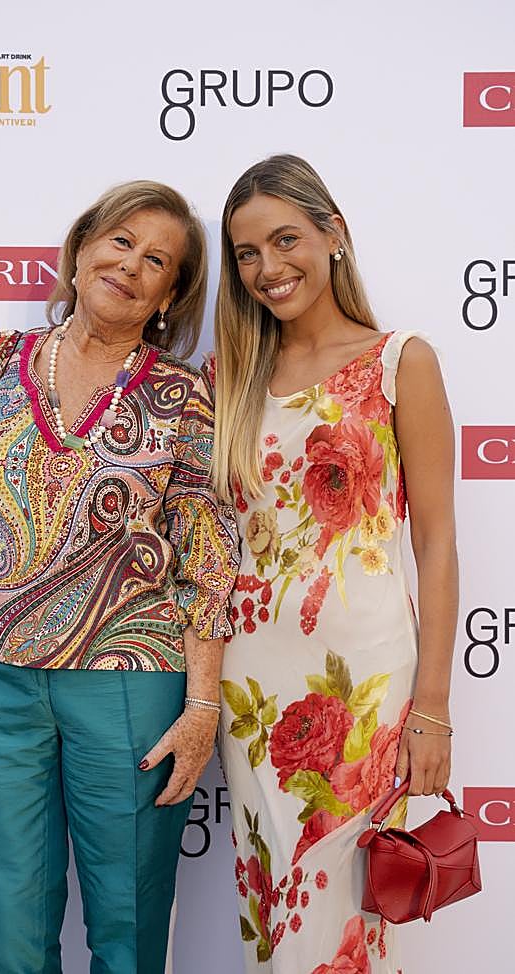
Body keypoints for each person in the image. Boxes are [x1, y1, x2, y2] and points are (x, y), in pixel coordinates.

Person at [0, 180, 239, 974]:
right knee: (9, 920)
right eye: (120, 241)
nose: (130, 266)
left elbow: (206, 556)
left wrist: (202, 705)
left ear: (171, 293)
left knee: (128, 925)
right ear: (82, 247)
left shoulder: (182, 397)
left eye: (157, 260)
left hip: (132, 688)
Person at [212, 155, 457, 972]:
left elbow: (436, 543)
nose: (268, 268)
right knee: (272, 901)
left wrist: (431, 709)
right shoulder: (231, 379)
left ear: (334, 235)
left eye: (286, 240)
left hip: (365, 680)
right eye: (247, 253)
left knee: (346, 915)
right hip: (252, 685)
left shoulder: (401, 361)